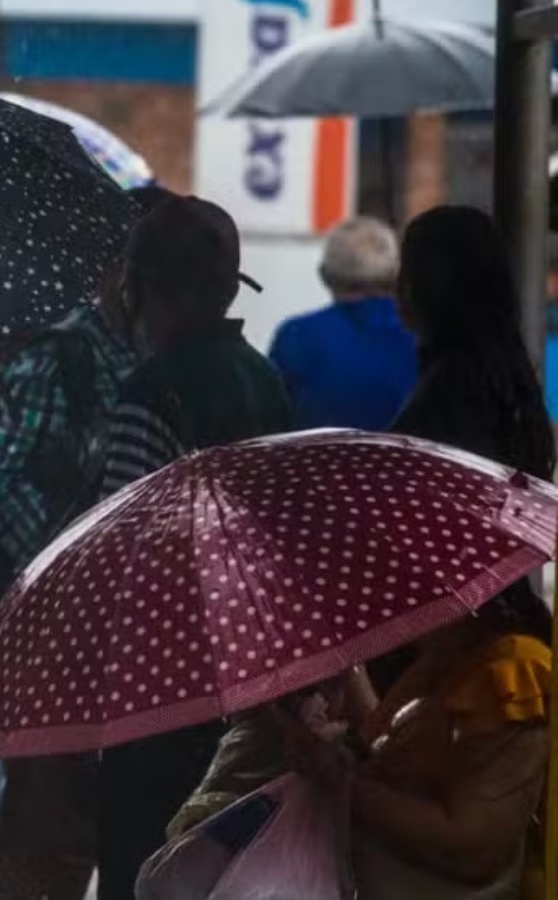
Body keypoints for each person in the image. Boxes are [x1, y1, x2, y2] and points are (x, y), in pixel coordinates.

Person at [285, 206, 553, 900]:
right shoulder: (513, 388)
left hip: (446, 643)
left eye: (411, 275)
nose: (399, 292)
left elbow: (464, 843)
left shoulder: (446, 401)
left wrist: (340, 776)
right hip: (450, 637)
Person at [0, 188, 173, 884]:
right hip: (64, 638)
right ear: (117, 271)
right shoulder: (60, 356)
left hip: (152, 638)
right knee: (49, 835)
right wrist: (65, 567)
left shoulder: (170, 356)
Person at [93, 195, 293, 900]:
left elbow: (118, 546)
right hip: (250, 675)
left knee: (143, 863)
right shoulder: (264, 380)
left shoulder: (150, 391)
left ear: (147, 290)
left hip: (159, 679)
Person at [268, 216, 417, 430]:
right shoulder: (430, 338)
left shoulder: (296, 337)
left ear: (324, 276)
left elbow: (270, 431)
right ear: (397, 274)